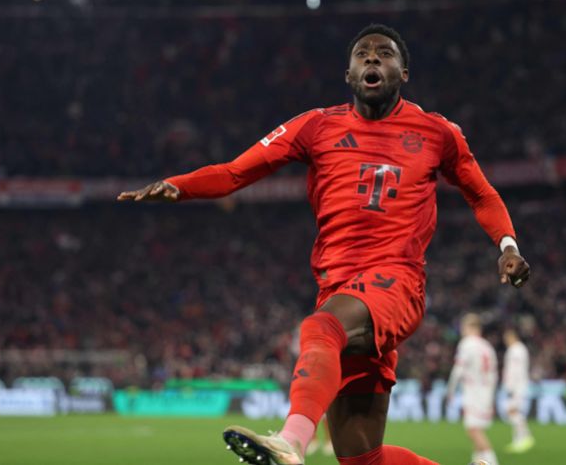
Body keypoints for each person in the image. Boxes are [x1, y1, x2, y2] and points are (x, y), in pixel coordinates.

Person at [118, 23, 531, 465]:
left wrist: (507, 245)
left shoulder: (437, 133)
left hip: (396, 283)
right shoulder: (317, 126)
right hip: (340, 287)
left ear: (404, 73)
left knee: (321, 328)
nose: (373, 58)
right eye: (363, 54)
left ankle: (290, 443)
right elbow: (235, 172)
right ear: (349, 74)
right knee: (360, 458)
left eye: (385, 53)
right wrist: (178, 186)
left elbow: (482, 194)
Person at [447, 314, 500, 465]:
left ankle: (493, 462)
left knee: (473, 430)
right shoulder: (487, 346)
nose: (462, 331)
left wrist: (450, 390)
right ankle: (477, 462)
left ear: (471, 328)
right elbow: (494, 374)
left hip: (473, 392)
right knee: (477, 429)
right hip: (486, 392)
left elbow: (458, 370)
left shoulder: (467, 344)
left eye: (464, 327)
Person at [502, 329, 534, 453]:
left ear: (512, 337)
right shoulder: (521, 349)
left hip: (516, 386)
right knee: (514, 412)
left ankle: (525, 437)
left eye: (507, 338)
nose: (505, 341)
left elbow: (515, 370)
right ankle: (518, 439)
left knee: (512, 411)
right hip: (520, 385)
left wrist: (511, 387)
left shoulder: (515, 350)